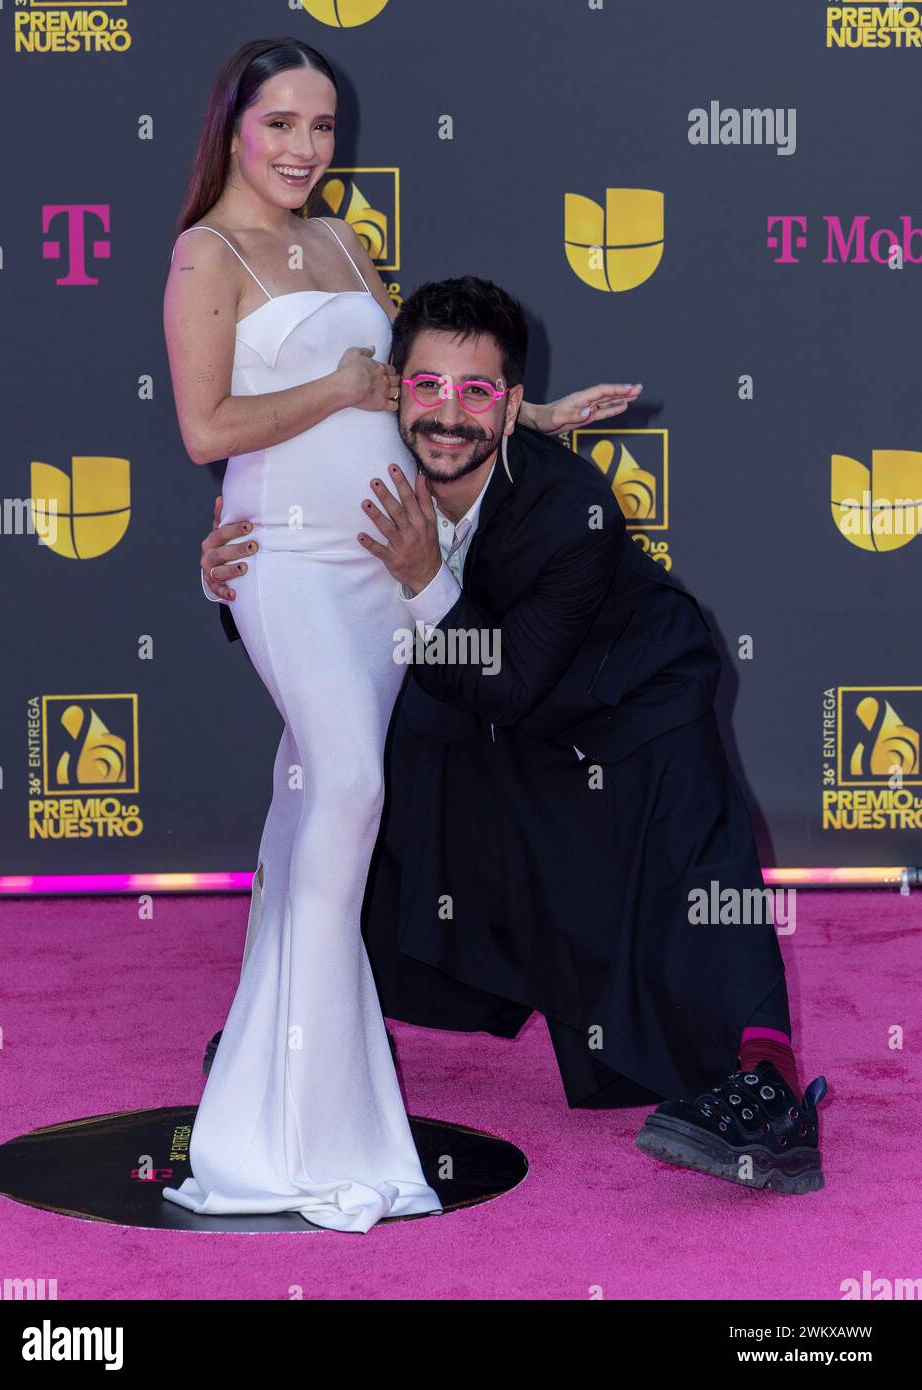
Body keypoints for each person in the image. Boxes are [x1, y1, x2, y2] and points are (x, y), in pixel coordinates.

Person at [202, 274, 828, 1196]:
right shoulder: (370, 466)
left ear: (512, 405)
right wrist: (228, 581)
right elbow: (304, 577)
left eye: (477, 392)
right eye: (427, 387)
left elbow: (512, 681)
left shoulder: (571, 510)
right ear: (394, 389)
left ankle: (771, 1098)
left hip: (633, 706)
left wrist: (422, 579)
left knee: (704, 888)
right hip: (489, 717)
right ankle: (289, 1024)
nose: (448, 416)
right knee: (362, 778)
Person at [163, 37, 636, 1233]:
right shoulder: (203, 256)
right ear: (233, 127)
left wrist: (523, 411)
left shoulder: (335, 238)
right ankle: (306, 1132)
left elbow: (414, 380)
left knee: (301, 811)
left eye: (321, 129)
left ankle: (268, 1099)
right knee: (353, 790)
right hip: (288, 566)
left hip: (383, 567)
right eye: (280, 125)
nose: (303, 150)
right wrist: (329, 393)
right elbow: (205, 427)